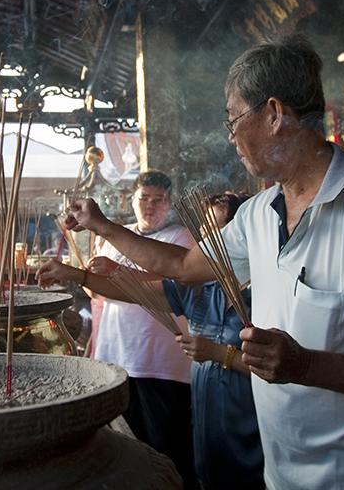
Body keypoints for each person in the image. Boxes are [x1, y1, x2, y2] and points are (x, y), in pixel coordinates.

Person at [50, 35, 344, 489]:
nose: (231, 137)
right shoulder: (258, 212)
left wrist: (305, 366)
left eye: (234, 120)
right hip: (281, 475)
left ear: (274, 115)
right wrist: (104, 226)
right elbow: (186, 266)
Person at [40, 192, 263, 489]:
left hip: (252, 423)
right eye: (205, 232)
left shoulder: (266, 294)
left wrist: (221, 354)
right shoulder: (199, 289)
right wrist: (74, 274)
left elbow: (285, 367)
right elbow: (137, 292)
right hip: (207, 419)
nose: (208, 242)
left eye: (219, 232)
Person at [82, 170, 197, 488]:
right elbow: (101, 296)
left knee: (165, 446)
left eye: (158, 200)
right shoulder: (116, 236)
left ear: (169, 204)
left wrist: (119, 272)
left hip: (160, 364)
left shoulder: (180, 238)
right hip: (115, 357)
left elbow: (176, 288)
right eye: (144, 198)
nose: (150, 206)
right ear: (131, 200)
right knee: (123, 446)